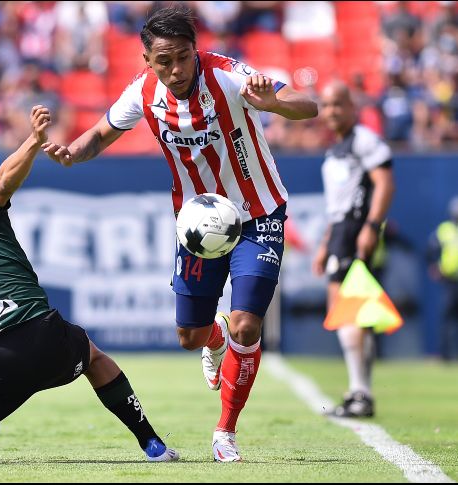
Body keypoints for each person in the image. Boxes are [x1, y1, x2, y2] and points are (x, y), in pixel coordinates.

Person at [42, 5, 317, 462]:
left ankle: (226, 432)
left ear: (196, 51)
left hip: (258, 213)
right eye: (164, 60)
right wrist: (71, 152)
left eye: (183, 57)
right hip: (197, 228)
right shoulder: (143, 92)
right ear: (147, 61)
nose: (175, 69)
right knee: (189, 336)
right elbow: (100, 134)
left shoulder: (229, 75)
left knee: (248, 324)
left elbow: (310, 105)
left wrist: (274, 104)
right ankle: (216, 337)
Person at [0, 105, 179, 465]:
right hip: (43, 336)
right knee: (94, 356)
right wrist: (32, 142)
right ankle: (152, 444)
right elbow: (3, 180)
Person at [313, 81, 396, 417]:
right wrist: (324, 243)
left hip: (355, 230)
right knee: (352, 311)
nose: (331, 111)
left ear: (352, 107)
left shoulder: (364, 141)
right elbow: (337, 203)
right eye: (327, 105)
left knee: (349, 310)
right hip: (340, 231)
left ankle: (360, 393)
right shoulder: (336, 148)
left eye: (338, 104)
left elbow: (385, 182)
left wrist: (372, 226)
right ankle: (359, 391)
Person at [428, 196, 458, 361]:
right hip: (450, 280)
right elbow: (431, 249)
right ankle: (445, 355)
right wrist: (434, 265)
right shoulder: (445, 230)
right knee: (447, 317)